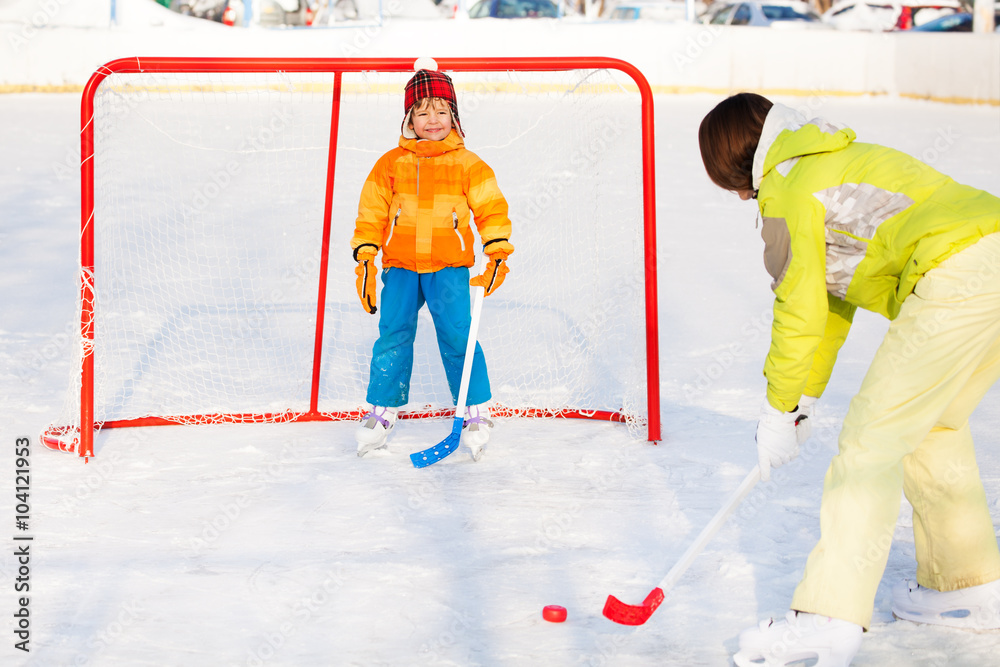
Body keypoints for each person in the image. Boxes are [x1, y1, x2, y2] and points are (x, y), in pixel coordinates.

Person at [698, 92, 1000, 666]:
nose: (738, 196)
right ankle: (967, 584)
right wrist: (802, 401)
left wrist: (776, 408)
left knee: (868, 445)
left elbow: (799, 308)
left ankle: (827, 616)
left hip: (957, 271)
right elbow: (831, 303)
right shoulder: (819, 157)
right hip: (991, 253)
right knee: (933, 424)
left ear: (735, 164)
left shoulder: (787, 187)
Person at [350, 68, 514, 460]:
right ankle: (383, 409)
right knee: (392, 333)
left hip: (448, 267)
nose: (433, 120)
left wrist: (497, 252)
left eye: (441, 111)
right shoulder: (390, 164)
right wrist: (367, 259)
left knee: (458, 335)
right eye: (422, 112)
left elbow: (490, 209)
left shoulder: (468, 164)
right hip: (401, 266)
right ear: (409, 120)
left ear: (454, 117)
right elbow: (371, 213)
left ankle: (475, 410)